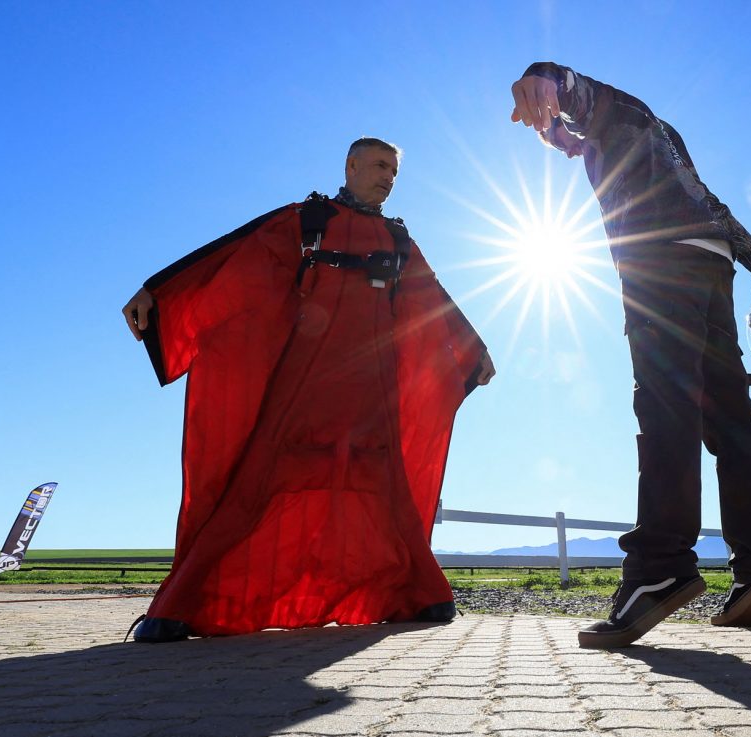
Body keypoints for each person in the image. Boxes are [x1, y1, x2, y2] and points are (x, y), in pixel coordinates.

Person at [121, 138, 495, 642]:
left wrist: (473, 351)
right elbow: (234, 256)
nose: (387, 177)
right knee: (258, 479)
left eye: (394, 171)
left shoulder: (399, 240)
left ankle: (422, 592)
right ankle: (182, 605)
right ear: (351, 165)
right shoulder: (306, 219)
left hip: (374, 384)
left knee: (386, 482)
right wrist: (159, 292)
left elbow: (434, 300)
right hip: (305, 376)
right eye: (379, 165)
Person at [509, 62, 751, 648]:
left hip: (659, 260)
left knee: (665, 406)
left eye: (560, 131)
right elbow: (711, 203)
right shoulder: (663, 140)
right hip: (711, 262)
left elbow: (588, 97)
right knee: (731, 420)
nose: (562, 142)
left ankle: (659, 568)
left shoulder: (621, 115)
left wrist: (545, 77)